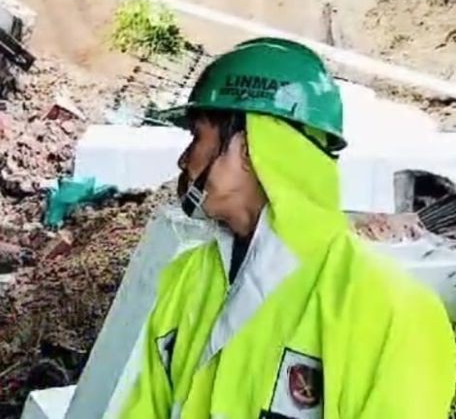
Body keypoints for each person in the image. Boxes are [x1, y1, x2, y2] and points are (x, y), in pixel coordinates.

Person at [118, 37, 456, 418]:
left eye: (197, 137)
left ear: (248, 148)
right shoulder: (185, 280)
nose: (183, 160)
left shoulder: (394, 311)